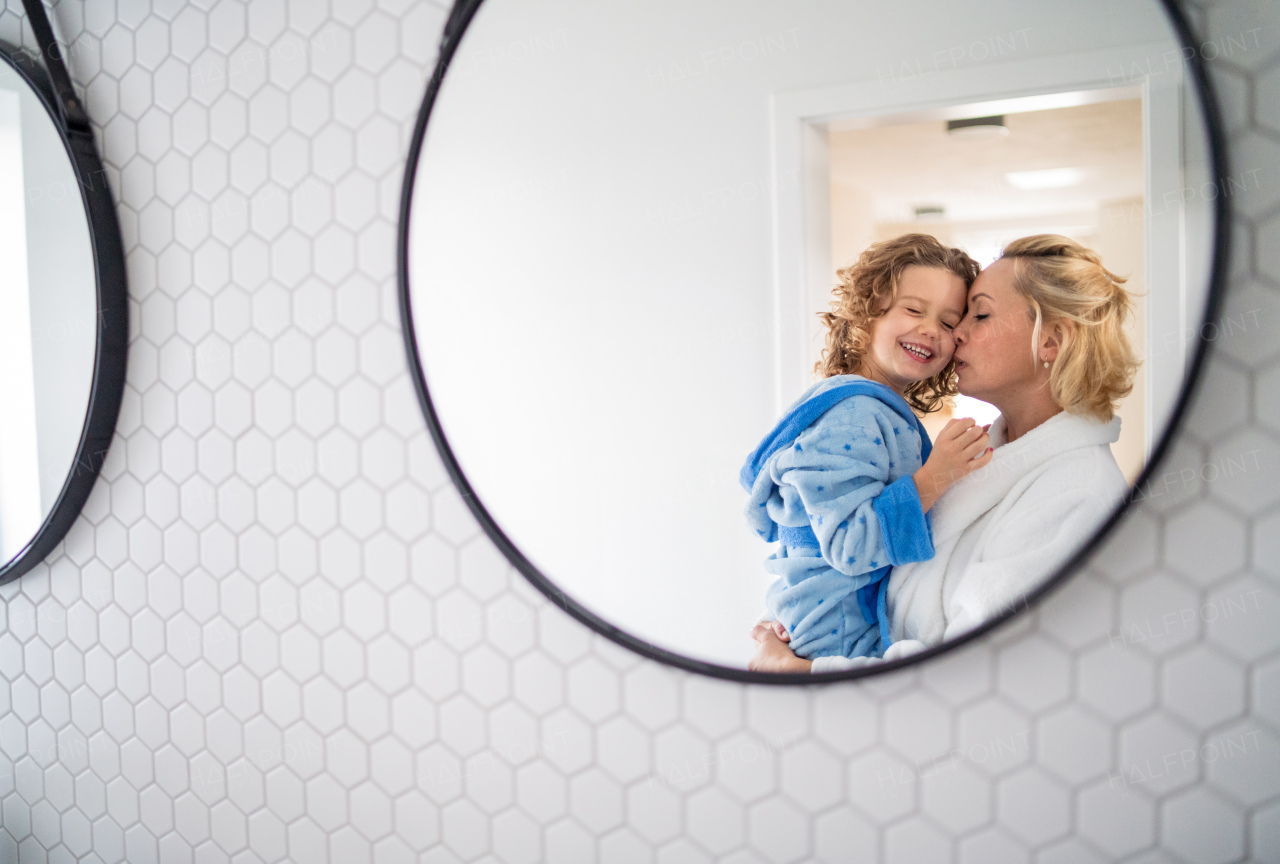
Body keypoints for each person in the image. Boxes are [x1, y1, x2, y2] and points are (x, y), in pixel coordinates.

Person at [748, 234, 1140, 673]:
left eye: (978, 315)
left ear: (1049, 341)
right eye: (917, 311)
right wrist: (795, 620)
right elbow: (842, 548)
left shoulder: (1076, 493)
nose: (955, 336)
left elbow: (977, 665)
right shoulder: (984, 456)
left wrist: (803, 672)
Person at [740, 234, 991, 663]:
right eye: (913, 309)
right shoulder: (854, 414)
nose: (931, 329)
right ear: (866, 314)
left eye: (949, 323)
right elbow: (849, 546)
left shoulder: (871, 410)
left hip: (833, 617)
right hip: (836, 633)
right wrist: (935, 476)